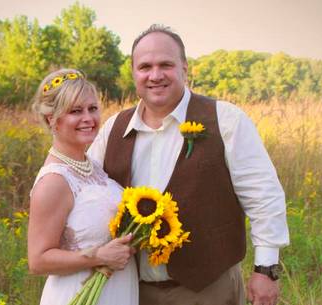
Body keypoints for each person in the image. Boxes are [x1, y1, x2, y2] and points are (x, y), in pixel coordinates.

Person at [87, 24, 290, 305]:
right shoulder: (113, 128)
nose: (155, 75)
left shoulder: (226, 120)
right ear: (133, 72)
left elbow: (264, 197)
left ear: (184, 67)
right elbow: (86, 194)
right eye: (145, 66)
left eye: (166, 65)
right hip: (130, 291)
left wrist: (266, 270)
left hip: (208, 289)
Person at [28, 69, 138, 305]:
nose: (88, 118)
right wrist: (97, 256)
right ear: (52, 119)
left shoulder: (92, 165)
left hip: (115, 291)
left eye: (92, 108)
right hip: (79, 295)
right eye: (76, 111)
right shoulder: (54, 181)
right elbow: (37, 260)